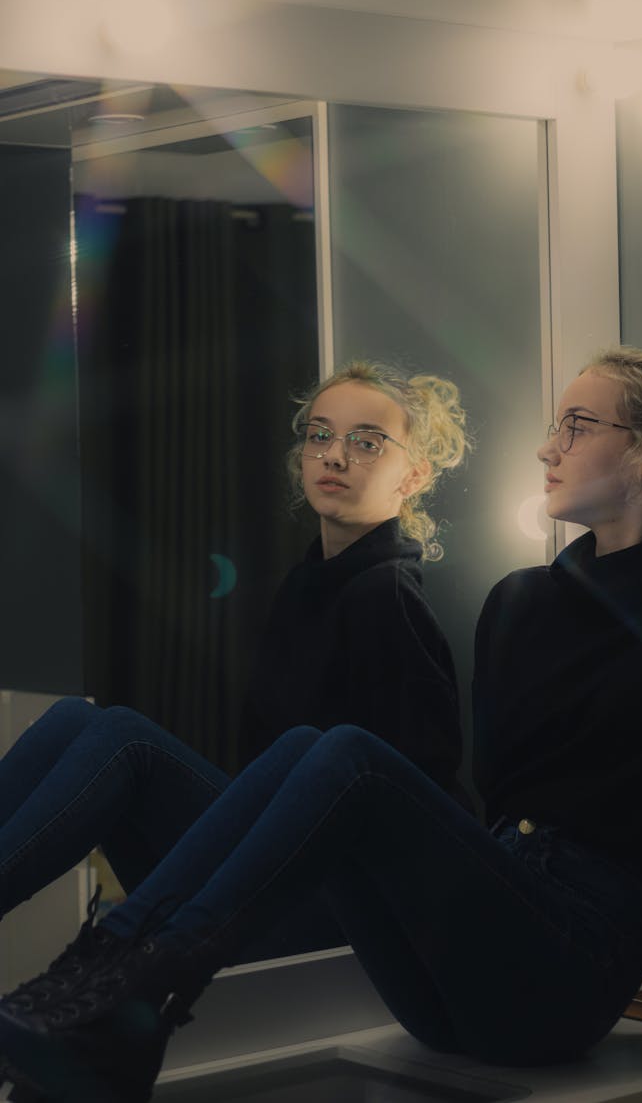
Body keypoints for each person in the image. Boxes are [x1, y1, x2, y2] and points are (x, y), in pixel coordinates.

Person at [2, 344, 642, 1103]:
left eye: (577, 425)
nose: (546, 446)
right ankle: (104, 997)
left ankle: (122, 1004)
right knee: (298, 747)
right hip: (453, 970)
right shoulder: (520, 603)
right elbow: (501, 801)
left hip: (571, 969)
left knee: (346, 753)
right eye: (554, 424)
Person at [0, 360, 471, 958]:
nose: (334, 456)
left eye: (368, 443)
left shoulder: (386, 594)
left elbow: (419, 794)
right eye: (320, 435)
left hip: (330, 895)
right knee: (75, 720)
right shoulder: (308, 585)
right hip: (265, 857)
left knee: (123, 738)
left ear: (413, 476)